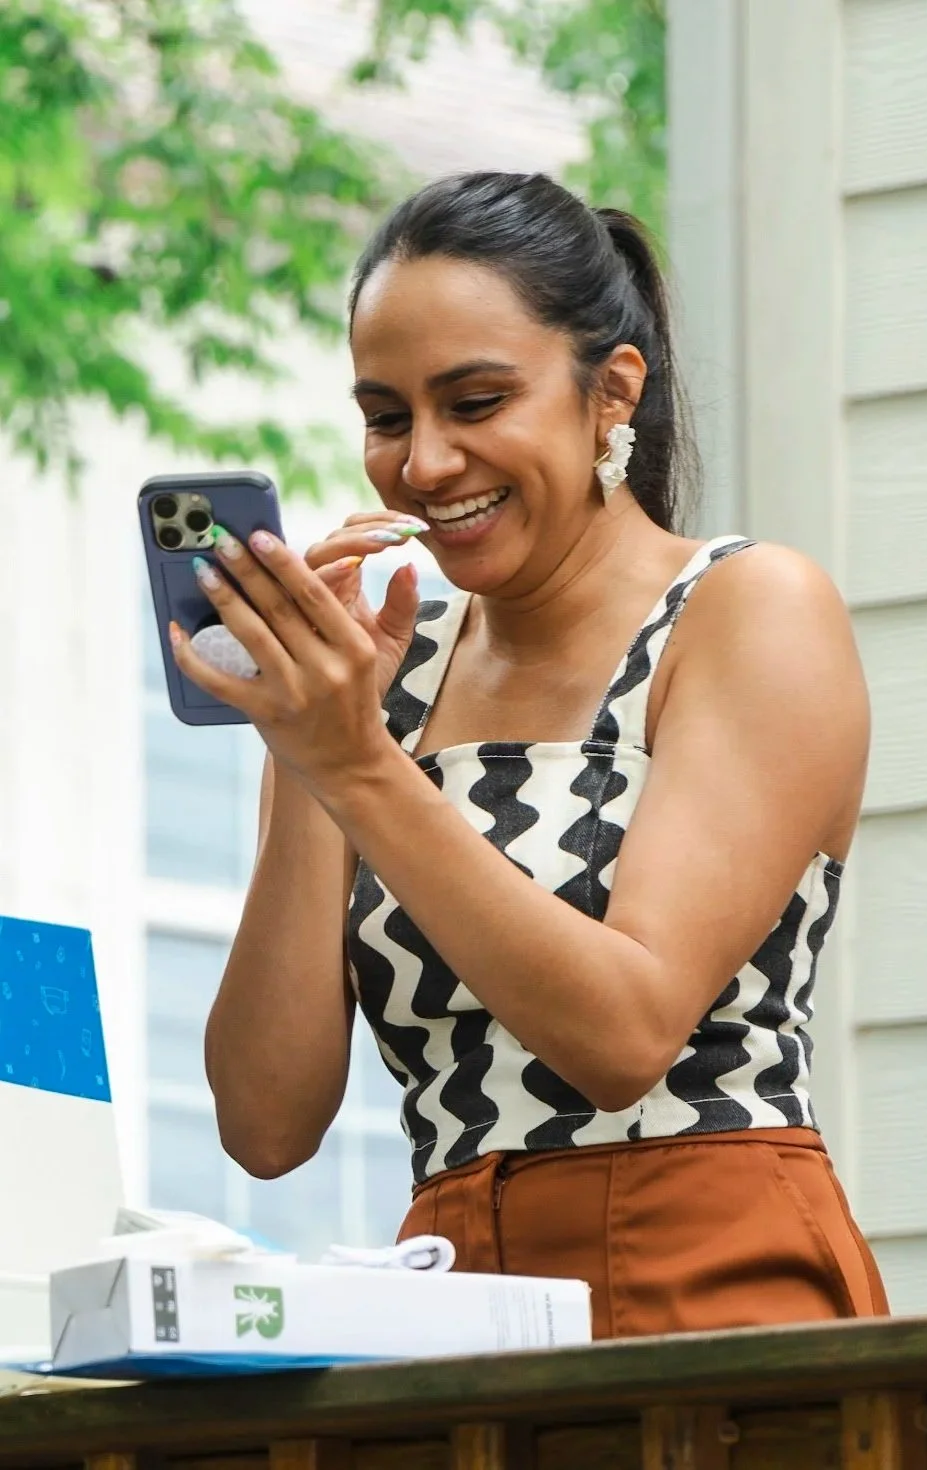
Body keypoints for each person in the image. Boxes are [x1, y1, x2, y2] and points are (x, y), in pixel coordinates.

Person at [182, 171, 889, 1339]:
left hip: (708, 1286)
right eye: (387, 415)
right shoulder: (370, 687)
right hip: (456, 1316)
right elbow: (265, 1126)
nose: (424, 464)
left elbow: (624, 1034)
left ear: (612, 394)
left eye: (476, 401)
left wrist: (359, 767)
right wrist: (310, 758)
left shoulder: (748, 610)